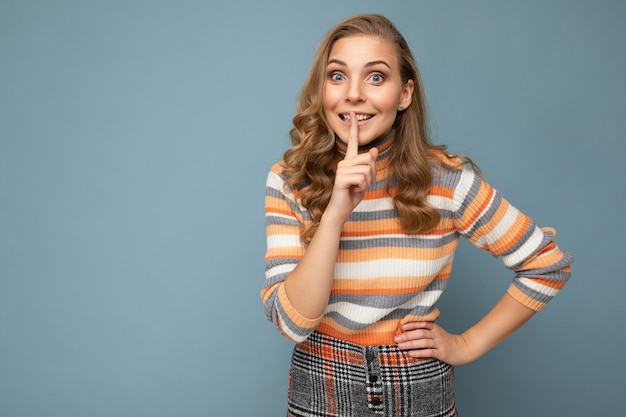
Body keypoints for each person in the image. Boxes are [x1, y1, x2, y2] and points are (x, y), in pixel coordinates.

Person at [261, 13, 573, 417]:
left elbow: (546, 265)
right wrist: (336, 213)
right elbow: (292, 324)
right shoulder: (289, 181)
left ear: (405, 93)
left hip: (418, 385)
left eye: (376, 77)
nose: (353, 94)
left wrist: (467, 344)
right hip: (320, 383)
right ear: (322, 89)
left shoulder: (447, 181)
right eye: (337, 76)